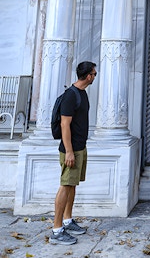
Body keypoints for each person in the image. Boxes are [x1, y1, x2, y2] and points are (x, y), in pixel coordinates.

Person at [50, 61, 97, 245]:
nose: (94, 76)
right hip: (71, 149)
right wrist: (69, 151)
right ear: (88, 76)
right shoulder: (71, 95)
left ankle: (68, 221)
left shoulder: (82, 94)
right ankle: (56, 229)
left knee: (72, 185)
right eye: (94, 74)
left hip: (79, 147)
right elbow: (64, 125)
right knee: (65, 185)